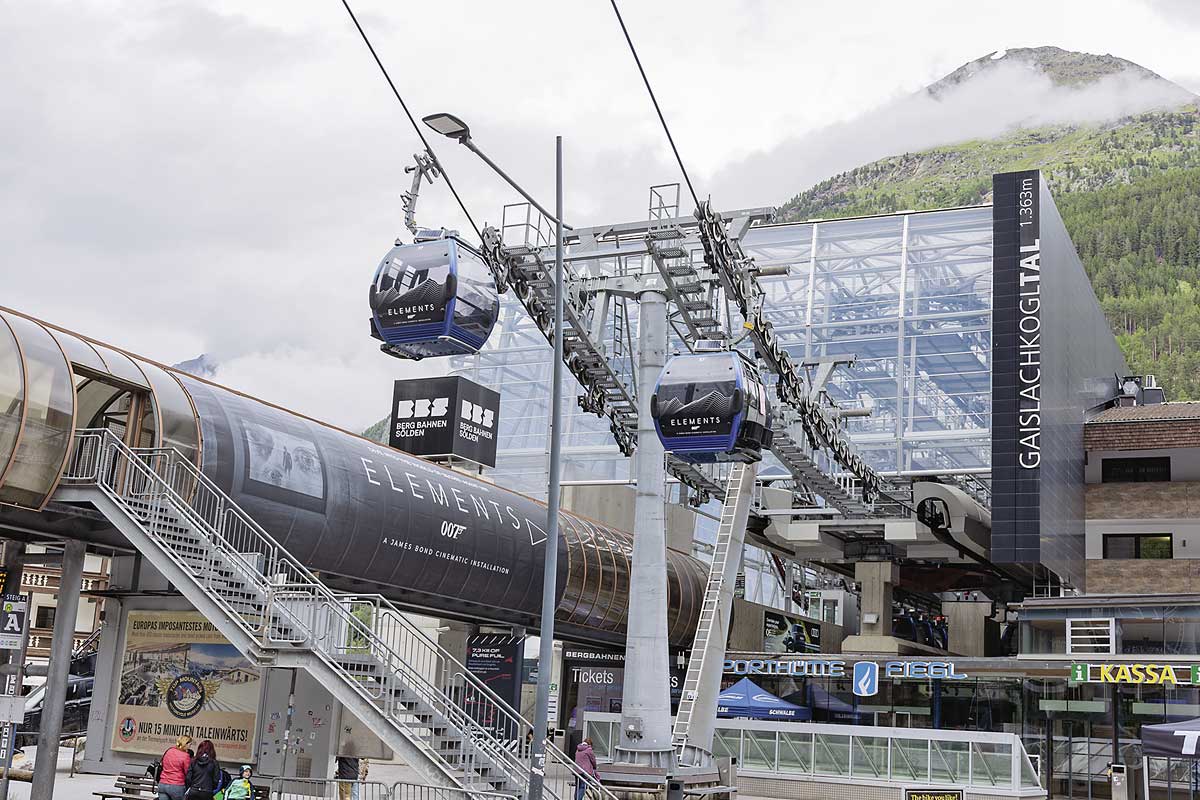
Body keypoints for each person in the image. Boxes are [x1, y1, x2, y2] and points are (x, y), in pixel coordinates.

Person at [157, 735, 193, 800]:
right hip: (176, 785)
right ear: (186, 744)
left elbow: (163, 764)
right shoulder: (186, 756)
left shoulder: (169, 751)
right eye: (190, 744)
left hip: (162, 784)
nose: (190, 747)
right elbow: (187, 772)